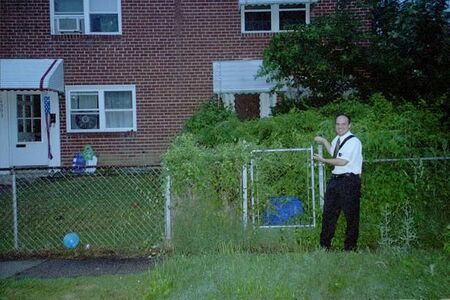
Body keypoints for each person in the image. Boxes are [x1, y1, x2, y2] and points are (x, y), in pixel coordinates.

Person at [313, 114, 363, 251]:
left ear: (349, 125)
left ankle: (350, 248)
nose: (340, 126)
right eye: (338, 124)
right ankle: (324, 247)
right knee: (329, 214)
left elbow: (342, 162)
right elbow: (334, 153)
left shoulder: (354, 142)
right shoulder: (337, 139)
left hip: (349, 181)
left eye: (343, 124)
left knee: (351, 216)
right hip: (335, 181)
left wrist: (323, 160)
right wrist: (324, 141)